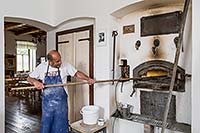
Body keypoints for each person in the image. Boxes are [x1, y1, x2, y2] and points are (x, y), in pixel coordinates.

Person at [27, 50, 95, 133]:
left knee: (61, 124)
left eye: (60, 60)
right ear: (50, 61)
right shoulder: (42, 67)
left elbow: (76, 73)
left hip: (61, 103)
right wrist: (35, 82)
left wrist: (88, 79)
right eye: (57, 61)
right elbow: (29, 78)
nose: (60, 62)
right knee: (47, 124)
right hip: (47, 104)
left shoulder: (65, 65)